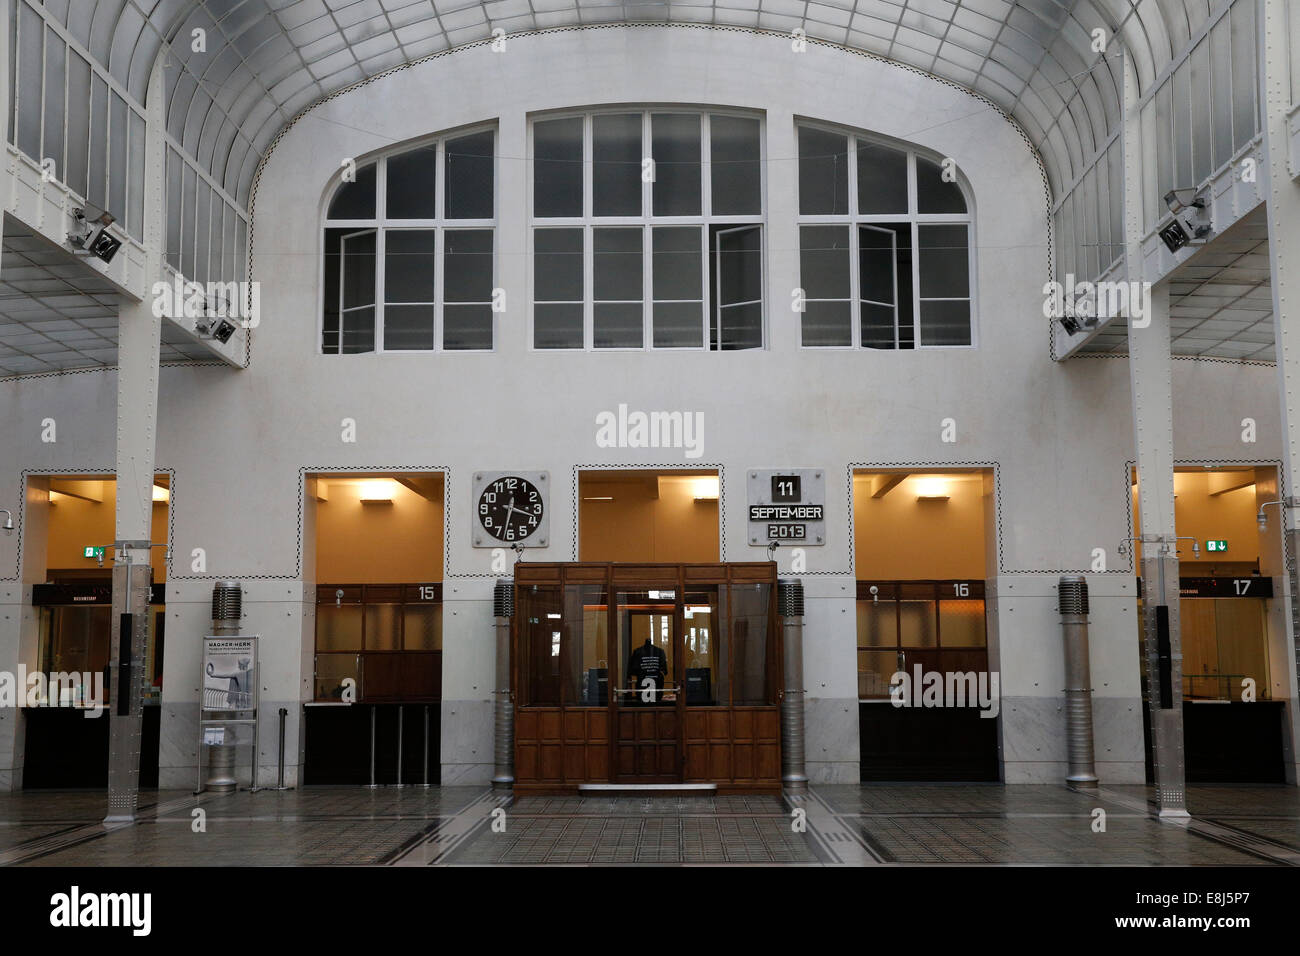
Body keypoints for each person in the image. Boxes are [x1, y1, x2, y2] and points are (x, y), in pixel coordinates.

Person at [627, 637, 667, 704]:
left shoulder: (637, 651)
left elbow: (632, 670)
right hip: (656, 685)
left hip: (643, 685)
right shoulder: (660, 651)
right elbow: (664, 670)